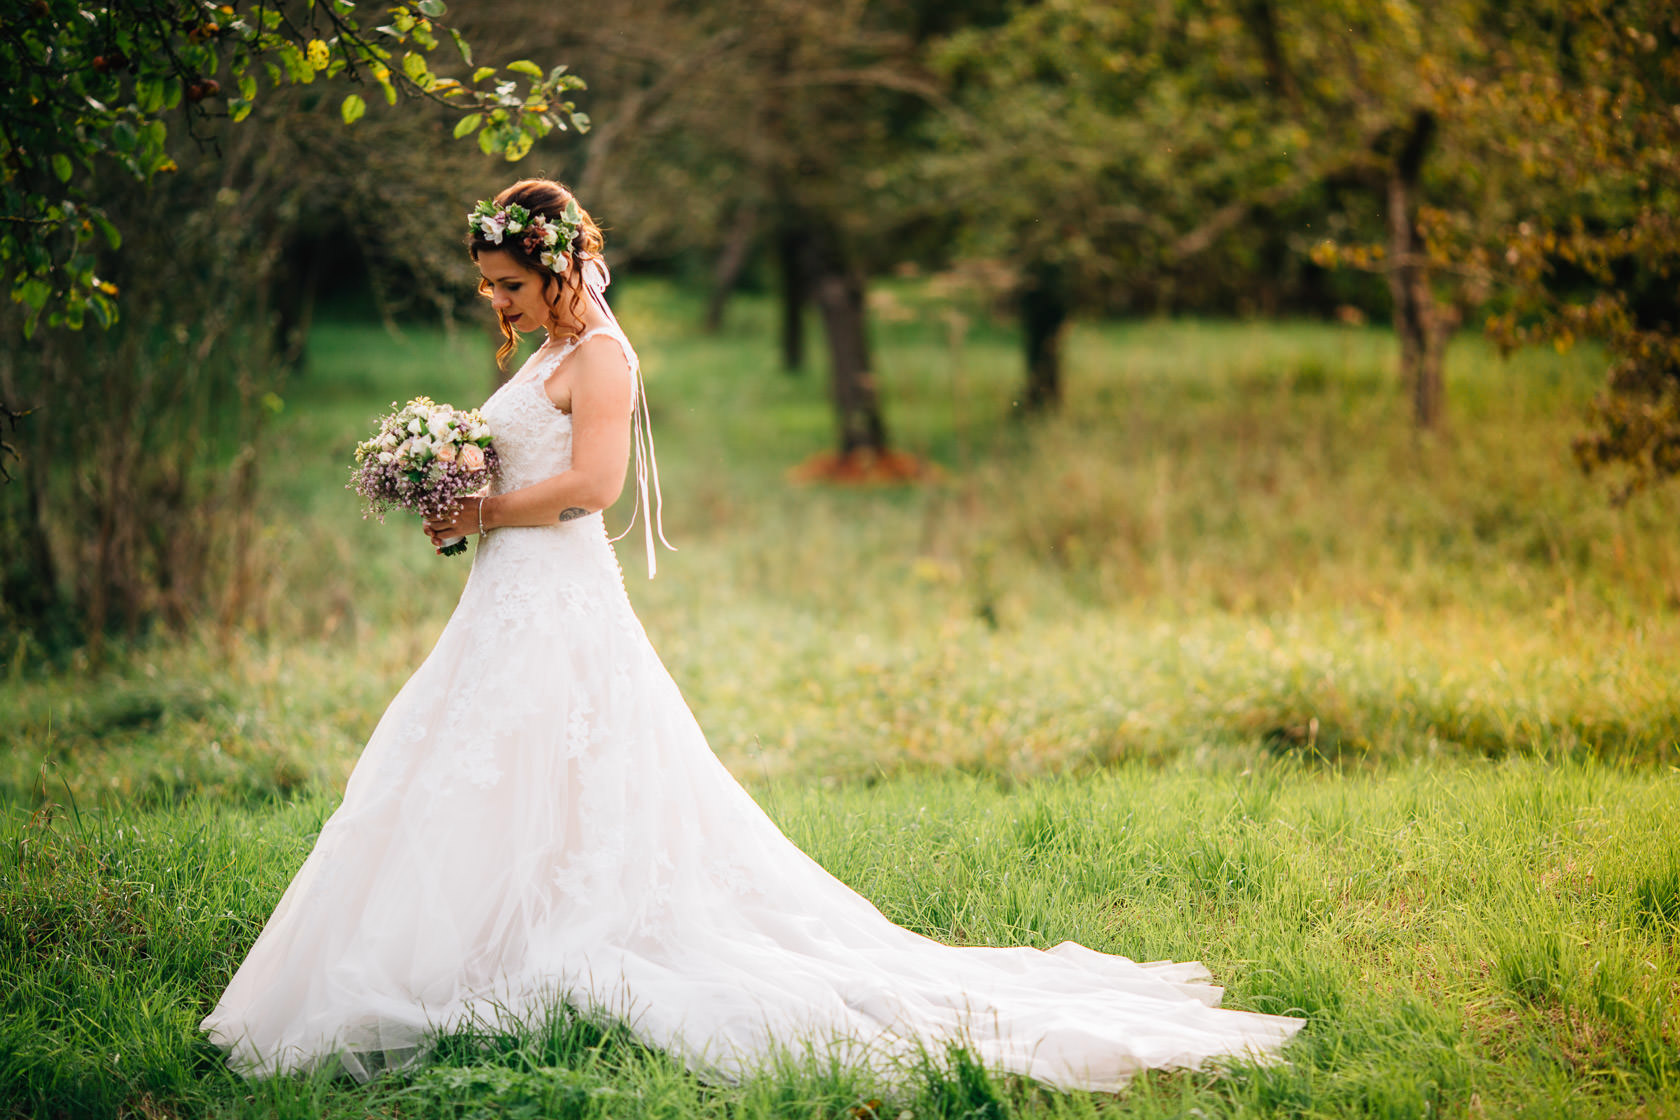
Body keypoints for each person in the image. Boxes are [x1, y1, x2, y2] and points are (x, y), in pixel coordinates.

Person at [199, 178, 1303, 1089]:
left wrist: (483, 506)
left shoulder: (603, 360)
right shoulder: (536, 358)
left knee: (564, 758)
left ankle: (557, 936)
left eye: (510, 283)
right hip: (501, 589)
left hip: (561, 590)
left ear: (561, 266)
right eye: (489, 286)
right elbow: (523, 464)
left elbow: (590, 485)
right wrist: (454, 497)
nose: (500, 302)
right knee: (479, 763)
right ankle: (470, 940)